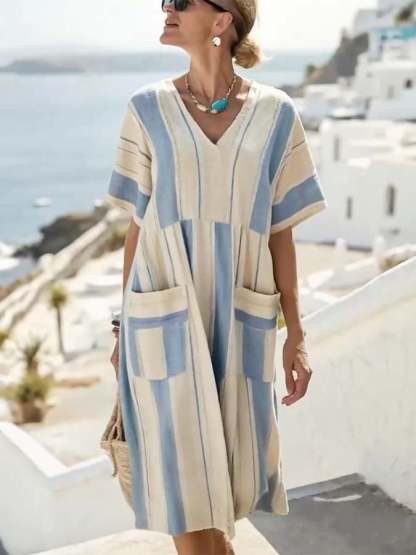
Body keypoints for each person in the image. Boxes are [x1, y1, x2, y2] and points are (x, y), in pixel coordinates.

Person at [107, 0, 328, 554]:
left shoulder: (276, 115)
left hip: (239, 315)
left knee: (223, 497)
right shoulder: (146, 109)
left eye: (181, 2)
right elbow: (138, 226)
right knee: (184, 492)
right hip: (162, 317)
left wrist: (296, 334)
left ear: (223, 20)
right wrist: (121, 326)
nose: (167, 8)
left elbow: (280, 230)